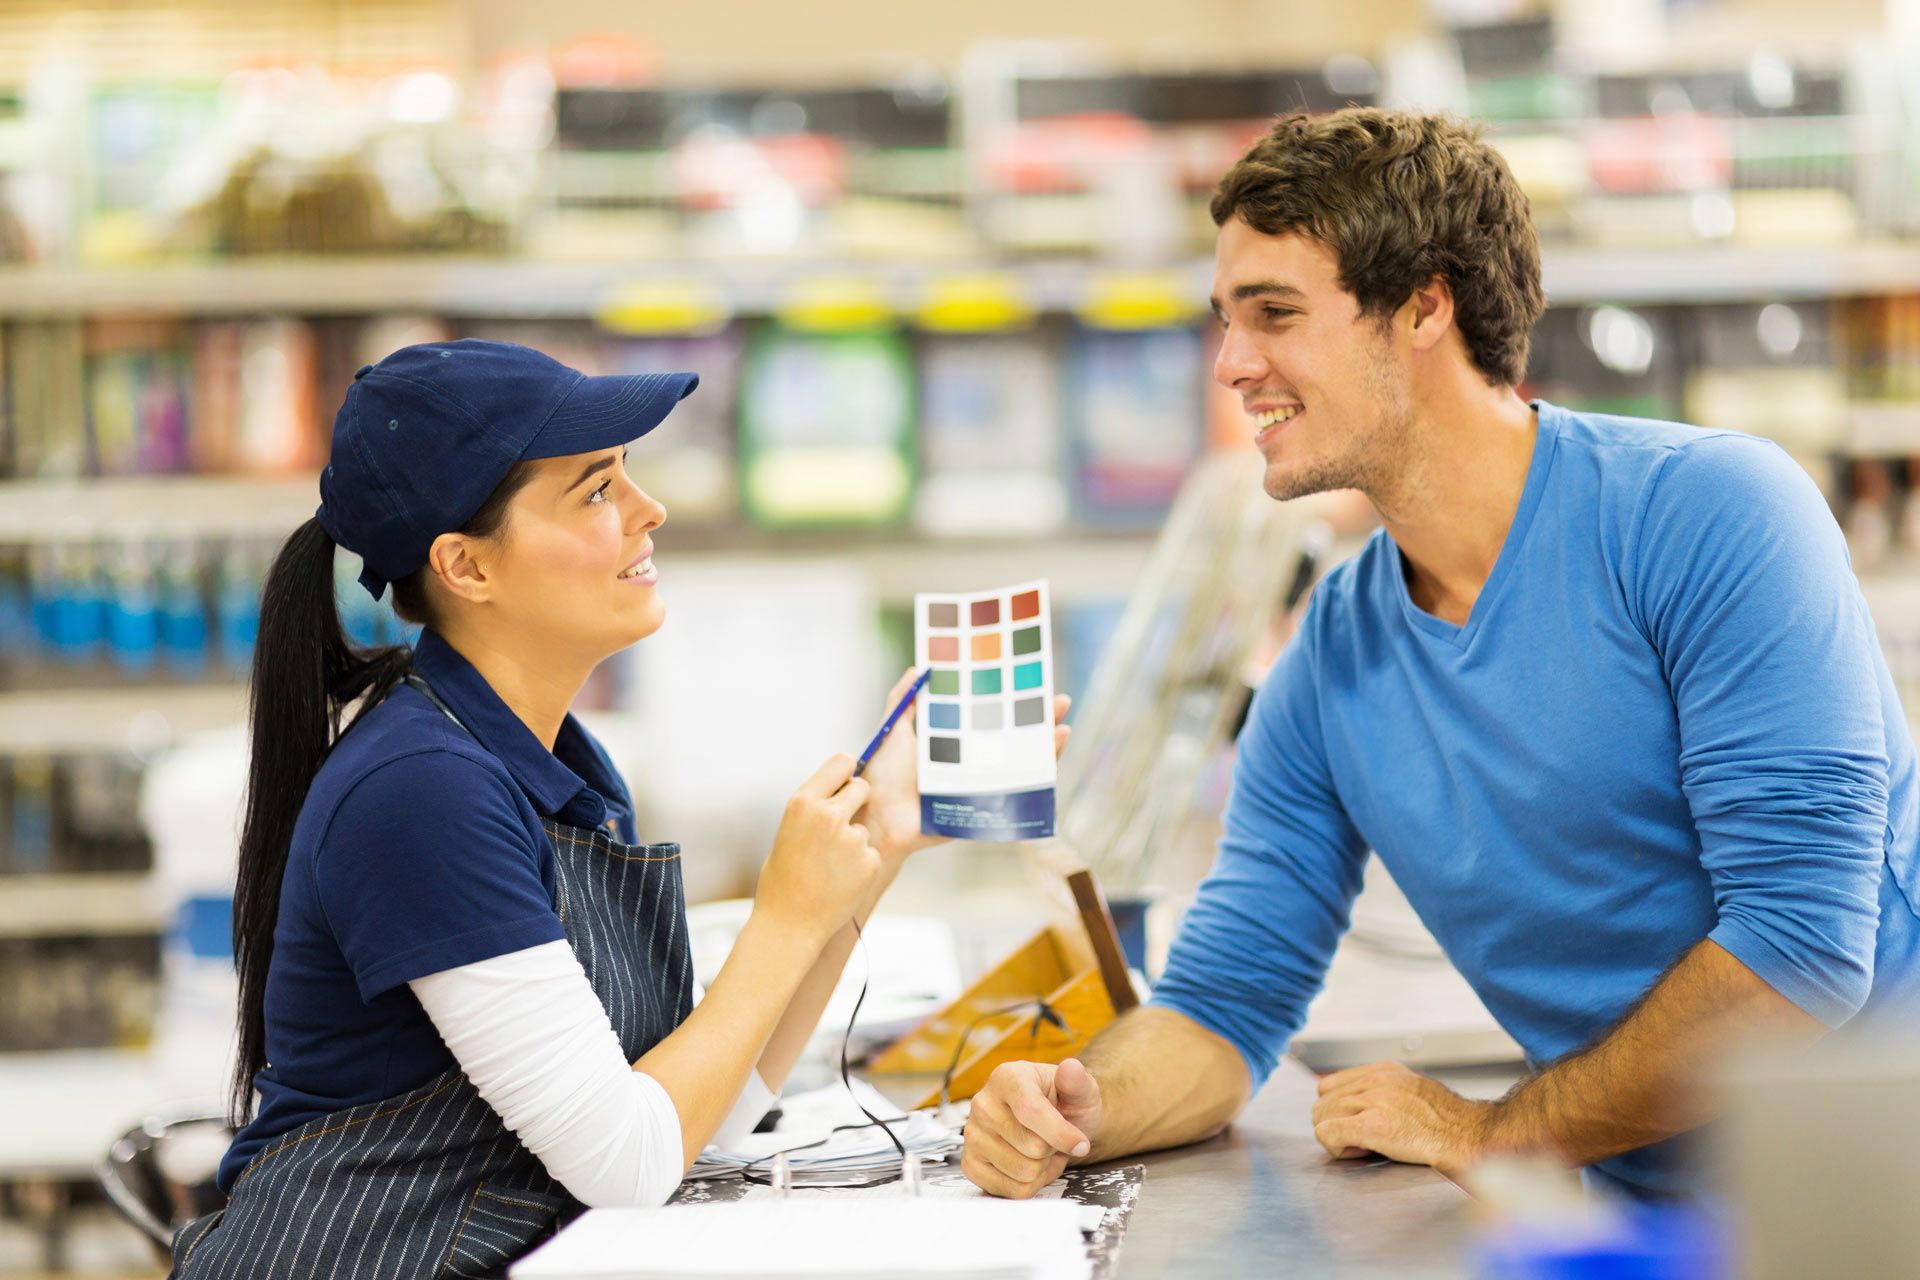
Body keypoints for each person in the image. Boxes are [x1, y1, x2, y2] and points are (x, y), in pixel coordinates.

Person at [961, 108, 1920, 1202]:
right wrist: (1081, 1105)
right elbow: (1224, 1002)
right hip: (1647, 1212)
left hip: (1881, 1194)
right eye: (1225, 319)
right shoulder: (1332, 655)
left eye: (1274, 313)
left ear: (1424, 306)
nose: (1231, 363)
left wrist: (1497, 1131)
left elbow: (1799, 954)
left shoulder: (1711, 516)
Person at [171, 340, 1067, 1277]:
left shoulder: (555, 761)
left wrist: (874, 845)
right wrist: (783, 911)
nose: (650, 511)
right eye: (596, 491)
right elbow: (628, 1159)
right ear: (466, 566)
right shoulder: (420, 794)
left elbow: (704, 1111)